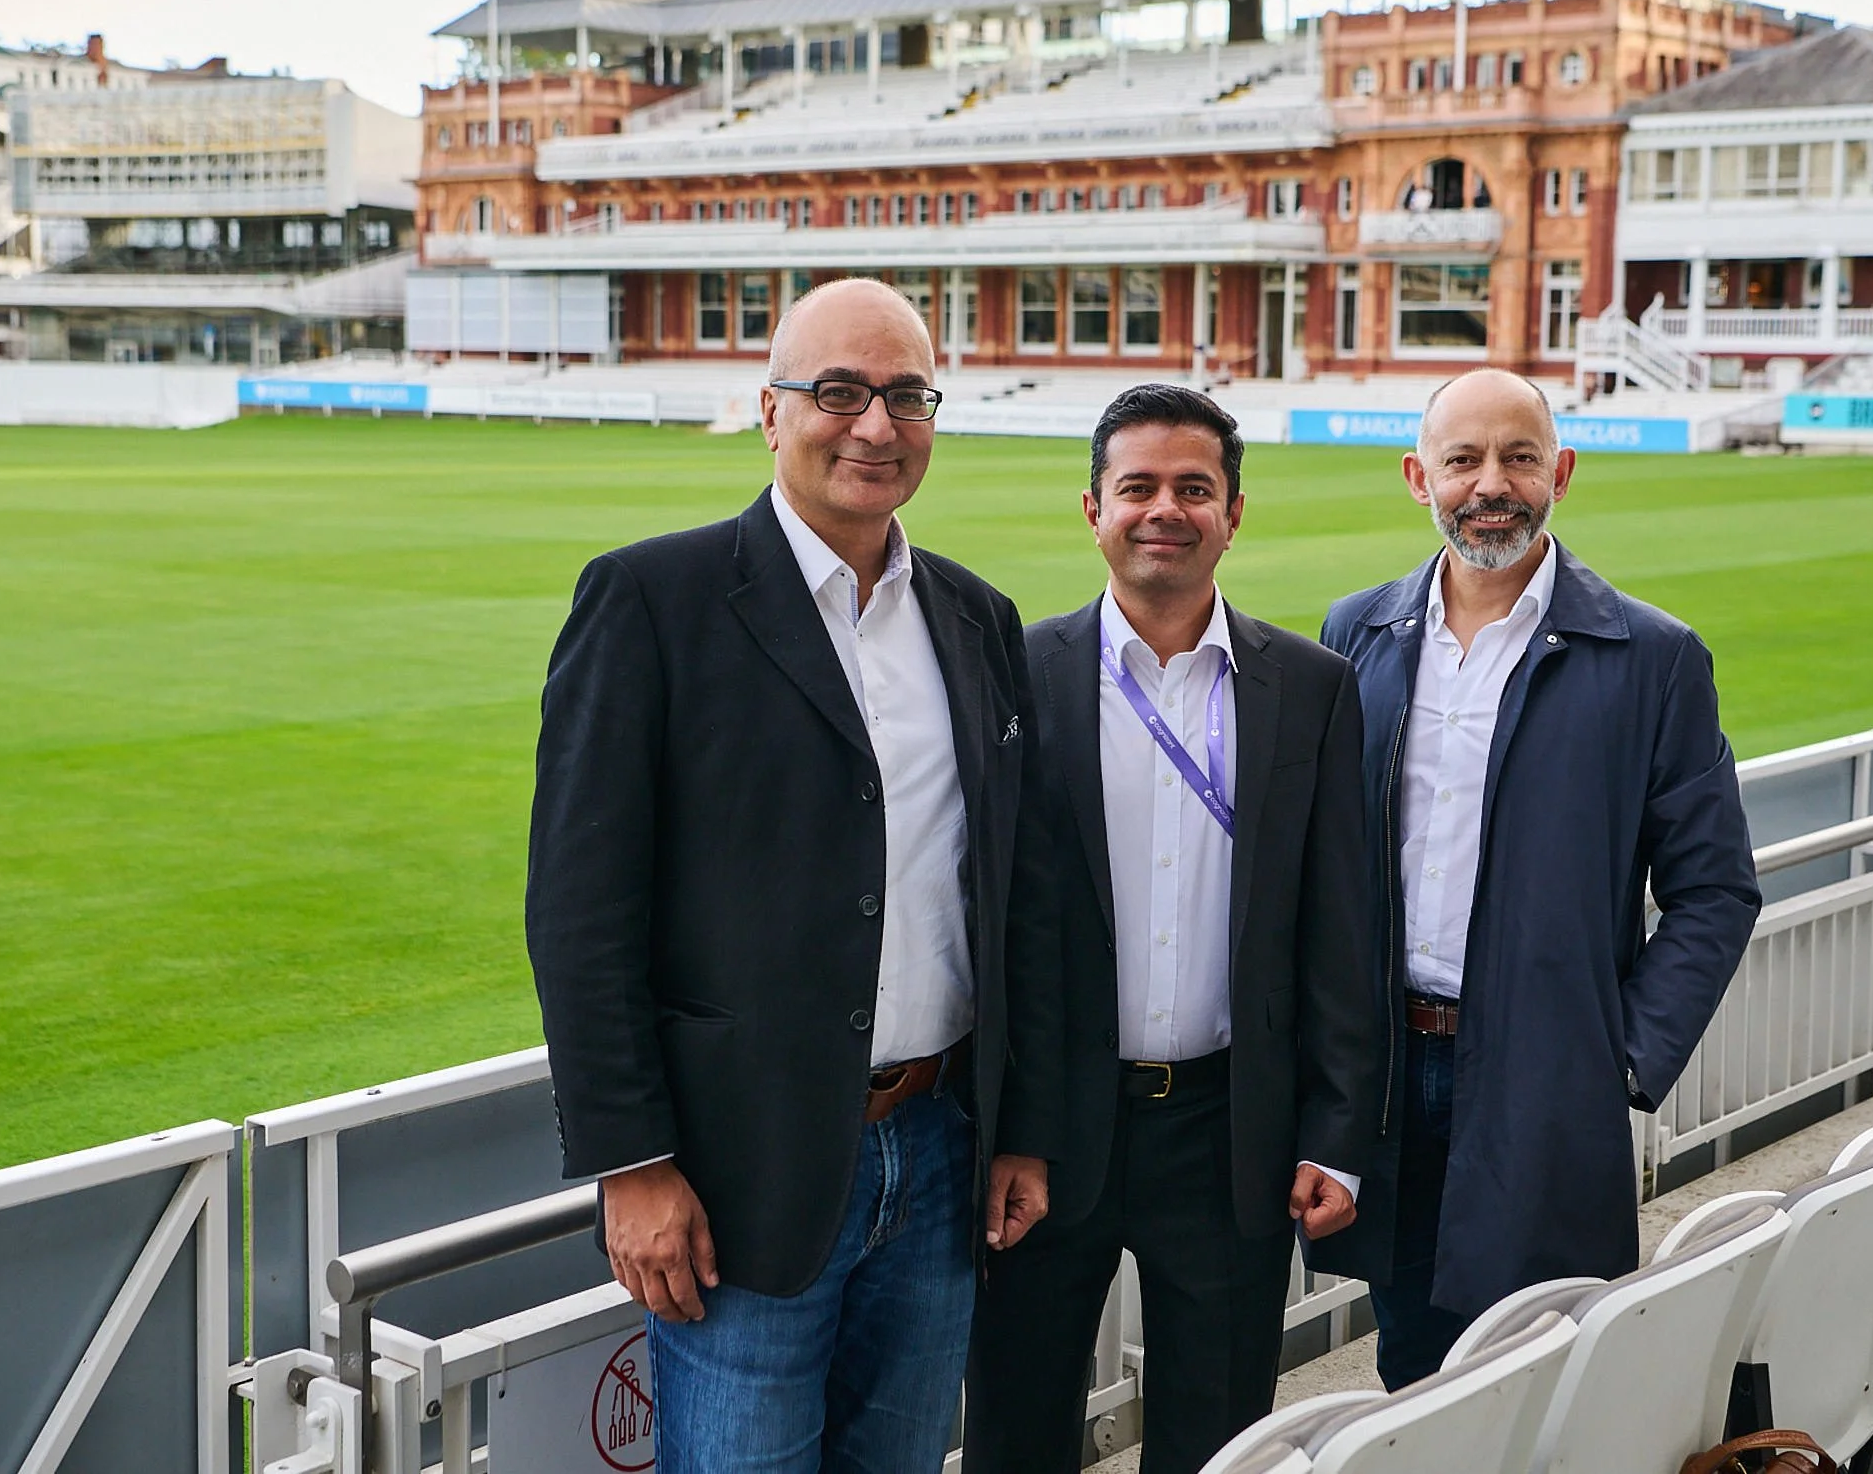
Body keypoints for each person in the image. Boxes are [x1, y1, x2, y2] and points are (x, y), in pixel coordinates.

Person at [524, 277, 1052, 1473]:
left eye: (905, 396)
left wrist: (1016, 1131)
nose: (874, 424)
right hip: (733, 1176)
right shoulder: (650, 600)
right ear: (770, 412)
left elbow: (1012, 896)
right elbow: (577, 910)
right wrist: (633, 1164)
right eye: (839, 392)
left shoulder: (975, 619)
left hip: (935, 1155)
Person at [1310, 368, 1760, 1390]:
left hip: (1544, 1079)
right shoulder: (1355, 634)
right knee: (1412, 1369)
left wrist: (1622, 1060)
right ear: (1415, 476)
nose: (1489, 484)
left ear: (1558, 470)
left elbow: (1714, 890)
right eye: (1461, 459)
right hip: (1389, 1076)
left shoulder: (1651, 657)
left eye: (1517, 457)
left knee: (1549, 1368)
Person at [963, 384, 1382, 1474]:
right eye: (1137, 486)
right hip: (1049, 1130)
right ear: (1091, 509)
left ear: (1233, 513)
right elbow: (989, 915)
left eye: (1193, 488)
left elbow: (1340, 925)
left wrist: (1335, 1129)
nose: (1165, 509)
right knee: (1015, 1421)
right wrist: (1003, 1121)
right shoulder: (1015, 673)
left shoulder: (1310, 686)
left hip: (1227, 1125)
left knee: (1219, 1429)